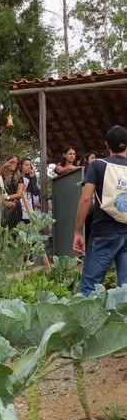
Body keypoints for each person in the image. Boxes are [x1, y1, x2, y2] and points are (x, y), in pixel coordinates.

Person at [73, 125, 127, 296]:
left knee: (90, 286)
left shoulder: (98, 165)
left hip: (104, 231)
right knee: (125, 289)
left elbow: (86, 199)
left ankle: (88, 322)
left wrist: (78, 232)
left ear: (106, 145)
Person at [0, 155, 25, 228]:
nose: (14, 164)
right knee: (1, 230)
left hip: (14, 207)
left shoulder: (19, 177)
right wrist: (4, 202)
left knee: (14, 232)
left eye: (16, 163)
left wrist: (6, 197)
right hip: (1, 208)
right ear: (6, 162)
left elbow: (19, 194)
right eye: (12, 162)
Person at [78, 152, 96, 245]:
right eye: (92, 158)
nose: (95, 160)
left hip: (93, 206)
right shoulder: (82, 172)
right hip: (86, 204)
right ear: (86, 160)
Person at [20, 157, 41, 223]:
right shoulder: (17, 177)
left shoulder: (31, 177)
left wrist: (32, 178)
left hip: (28, 204)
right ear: (21, 166)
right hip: (19, 204)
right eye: (26, 165)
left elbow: (35, 192)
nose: (29, 167)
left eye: (29, 165)